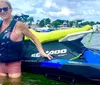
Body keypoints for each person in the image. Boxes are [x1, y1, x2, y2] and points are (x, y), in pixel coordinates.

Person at [0, 0, 53, 78]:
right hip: (1, 66)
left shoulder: (19, 25)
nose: (2, 11)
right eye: (0, 9)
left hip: (14, 66)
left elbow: (35, 39)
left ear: (10, 10)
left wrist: (42, 52)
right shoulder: (0, 25)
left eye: (5, 9)